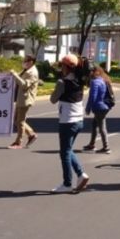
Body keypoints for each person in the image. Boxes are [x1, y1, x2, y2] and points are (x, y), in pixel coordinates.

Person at [49, 54, 90, 193]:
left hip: (67, 121)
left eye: (62, 66)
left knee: (64, 153)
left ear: (66, 67)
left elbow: (53, 99)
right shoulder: (80, 80)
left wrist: (55, 89)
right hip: (79, 120)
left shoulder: (62, 82)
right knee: (68, 149)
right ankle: (81, 175)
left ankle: (67, 183)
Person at [8, 55, 40, 149]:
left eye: (26, 60)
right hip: (20, 98)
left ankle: (18, 142)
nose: (24, 62)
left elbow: (24, 85)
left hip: (25, 99)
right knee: (16, 120)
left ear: (31, 62)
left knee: (20, 121)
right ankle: (31, 134)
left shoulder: (32, 73)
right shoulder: (27, 70)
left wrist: (15, 75)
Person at [83, 65, 112, 154]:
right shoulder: (103, 80)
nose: (90, 73)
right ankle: (92, 144)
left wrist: (88, 108)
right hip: (104, 106)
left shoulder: (95, 82)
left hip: (99, 107)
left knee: (102, 127)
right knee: (94, 124)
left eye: (92, 71)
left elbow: (92, 97)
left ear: (96, 72)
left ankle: (106, 147)